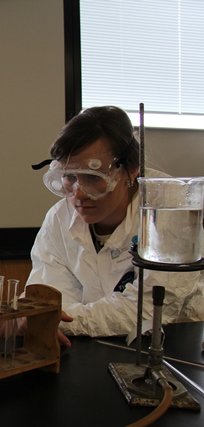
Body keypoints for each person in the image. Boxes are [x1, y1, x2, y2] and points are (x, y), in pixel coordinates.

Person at [27, 106, 204, 347]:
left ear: (131, 170)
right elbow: (50, 296)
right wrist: (46, 318)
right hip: (89, 349)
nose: (78, 194)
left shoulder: (170, 209)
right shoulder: (60, 218)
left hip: (177, 350)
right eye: (69, 176)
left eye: (92, 177)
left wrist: (55, 320)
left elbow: (144, 309)